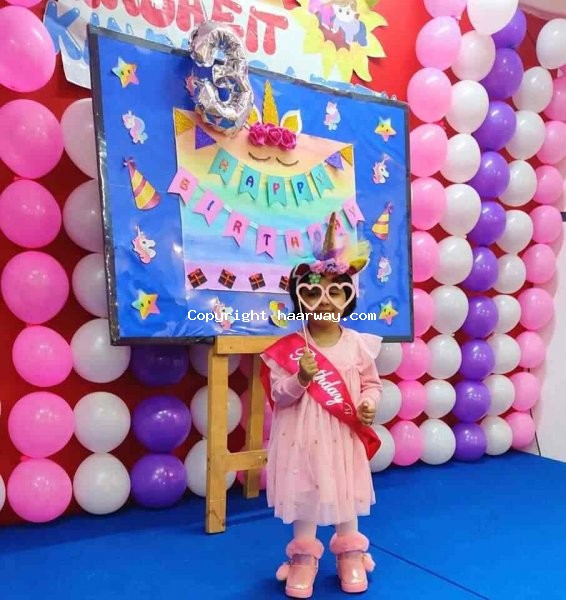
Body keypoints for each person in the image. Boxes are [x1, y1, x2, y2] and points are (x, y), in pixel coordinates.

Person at [260, 213, 383, 598]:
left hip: (342, 436)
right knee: (306, 492)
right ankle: (303, 557)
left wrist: (367, 403)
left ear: (348, 298)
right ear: (301, 299)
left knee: (344, 488)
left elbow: (372, 384)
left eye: (336, 292)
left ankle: (350, 552)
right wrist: (300, 378)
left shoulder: (358, 344)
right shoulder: (290, 348)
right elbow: (278, 396)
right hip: (301, 437)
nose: (325, 301)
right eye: (314, 293)